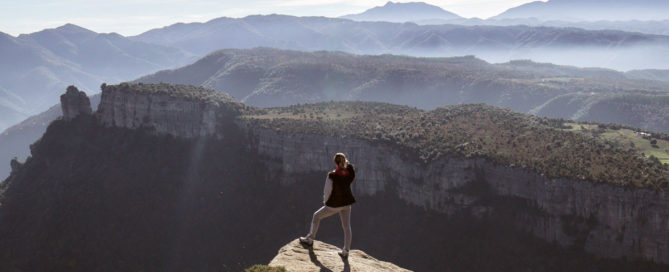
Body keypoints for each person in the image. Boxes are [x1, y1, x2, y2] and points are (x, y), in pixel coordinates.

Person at [299, 152, 356, 258]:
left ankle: (310, 239)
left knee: (316, 216)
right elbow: (351, 170)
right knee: (347, 227)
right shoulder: (349, 173)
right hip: (347, 204)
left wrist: (326, 202)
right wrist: (346, 164)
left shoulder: (332, 175)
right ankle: (346, 251)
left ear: (335, 163)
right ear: (344, 162)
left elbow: (327, 191)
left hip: (334, 204)